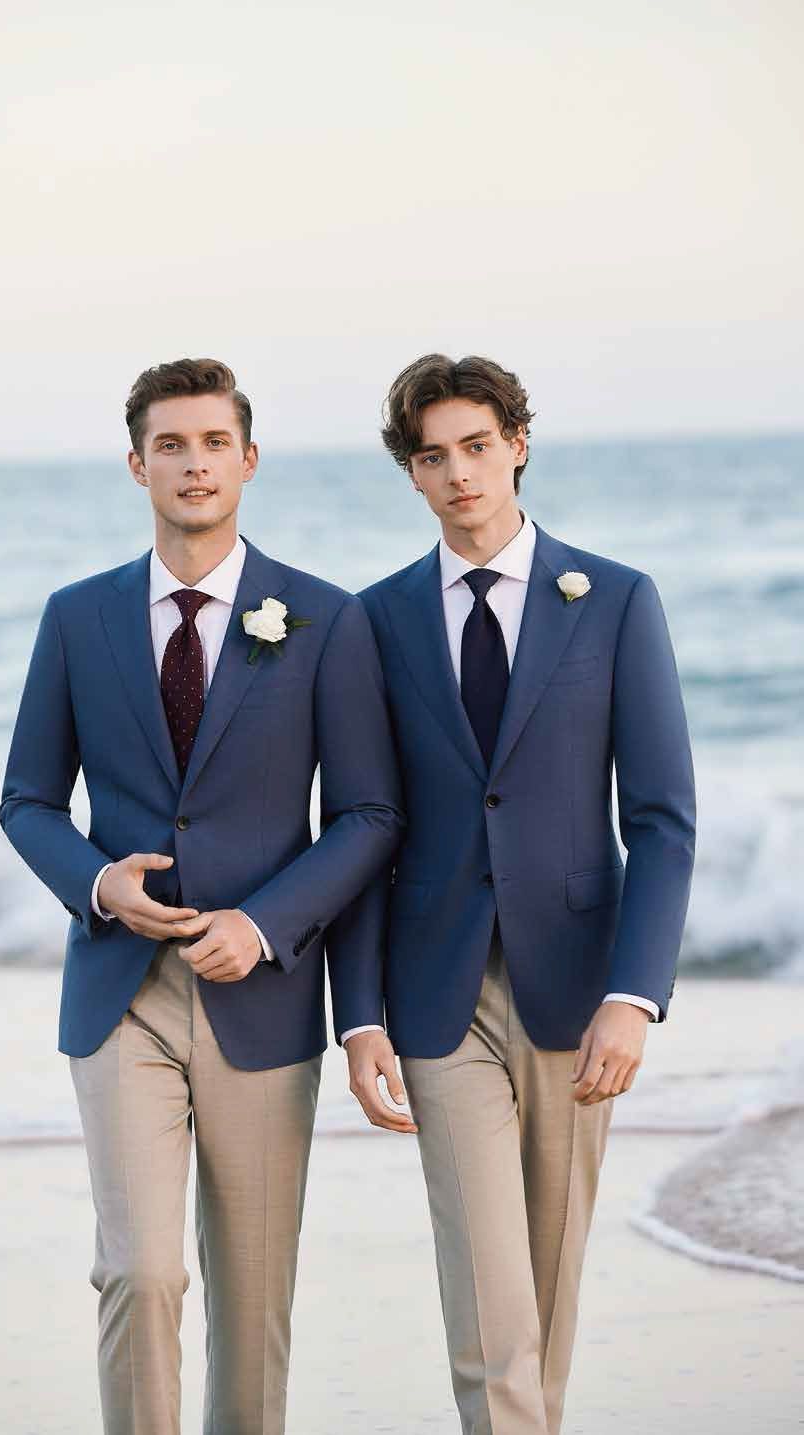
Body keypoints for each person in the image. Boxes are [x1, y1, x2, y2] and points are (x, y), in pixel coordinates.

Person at [0, 357, 403, 1435]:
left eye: (213, 442)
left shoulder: (324, 617)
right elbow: (28, 798)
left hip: (264, 1005)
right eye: (170, 443)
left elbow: (368, 813)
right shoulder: (77, 617)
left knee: (254, 1300)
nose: (193, 462)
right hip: (120, 995)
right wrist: (98, 884)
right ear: (138, 464)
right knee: (142, 1273)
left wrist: (265, 923)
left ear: (249, 460)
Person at [336, 353, 696, 1435]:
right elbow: (361, 828)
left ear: (519, 445)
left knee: (547, 1278)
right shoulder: (377, 619)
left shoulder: (617, 600)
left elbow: (664, 818)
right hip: (437, 993)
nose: (460, 475)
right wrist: (358, 1014)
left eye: (478, 448)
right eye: (434, 456)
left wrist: (635, 994)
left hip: (578, 988)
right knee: (492, 1292)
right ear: (411, 473)